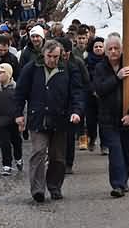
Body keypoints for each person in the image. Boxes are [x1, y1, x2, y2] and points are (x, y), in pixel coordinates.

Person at [14, 40, 84, 202]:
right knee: (38, 151)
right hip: (38, 117)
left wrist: (76, 111)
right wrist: (18, 114)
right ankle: (38, 189)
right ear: (43, 54)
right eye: (49, 56)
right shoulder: (32, 68)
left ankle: (54, 186)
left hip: (60, 118)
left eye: (56, 56)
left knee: (58, 156)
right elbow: (20, 92)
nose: (52, 59)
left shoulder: (68, 69)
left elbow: (77, 93)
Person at [93, 35, 129, 198]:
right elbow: (99, 89)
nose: (113, 51)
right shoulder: (100, 68)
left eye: (116, 48)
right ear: (105, 51)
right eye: (109, 49)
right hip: (108, 119)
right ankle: (117, 185)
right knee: (115, 151)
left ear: (121, 49)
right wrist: (116, 78)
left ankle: (123, 182)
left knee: (126, 152)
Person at [55, 36, 92, 175]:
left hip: (73, 102)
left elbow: (86, 80)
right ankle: (58, 160)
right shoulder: (53, 63)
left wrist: (82, 99)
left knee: (70, 135)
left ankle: (68, 163)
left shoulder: (77, 63)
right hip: (57, 104)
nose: (63, 55)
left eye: (65, 52)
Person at [0, 63, 23, 176]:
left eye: (1, 73)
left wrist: (23, 121)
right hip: (1, 121)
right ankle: (6, 165)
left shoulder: (16, 87)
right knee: (4, 143)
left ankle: (18, 158)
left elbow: (22, 105)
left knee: (16, 141)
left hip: (14, 121)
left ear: (8, 74)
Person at [85, 36, 106, 154]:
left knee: (104, 122)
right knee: (91, 121)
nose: (98, 48)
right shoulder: (87, 61)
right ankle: (92, 138)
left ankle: (104, 145)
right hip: (90, 95)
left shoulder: (108, 60)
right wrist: (92, 90)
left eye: (100, 47)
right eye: (96, 47)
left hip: (104, 95)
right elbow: (85, 78)